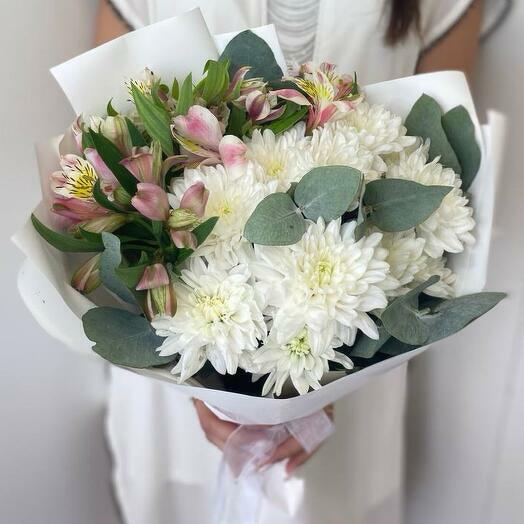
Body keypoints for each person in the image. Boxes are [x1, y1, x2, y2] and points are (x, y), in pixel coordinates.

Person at [94, 1, 509, 523]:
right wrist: (206, 388)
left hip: (356, 346)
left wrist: (319, 385)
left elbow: (436, 171)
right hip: (176, 344)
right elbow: (112, 150)